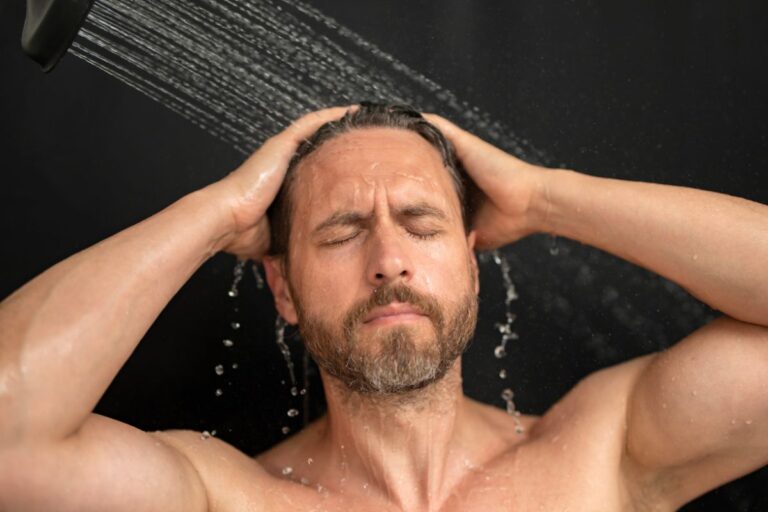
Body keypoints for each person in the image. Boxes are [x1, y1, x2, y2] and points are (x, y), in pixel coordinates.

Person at [0, 102, 766, 512]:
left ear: (473, 265)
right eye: (341, 233)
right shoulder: (224, 496)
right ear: (283, 289)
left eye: (422, 225)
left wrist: (544, 197)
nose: (389, 260)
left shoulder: (603, 453)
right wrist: (219, 212)